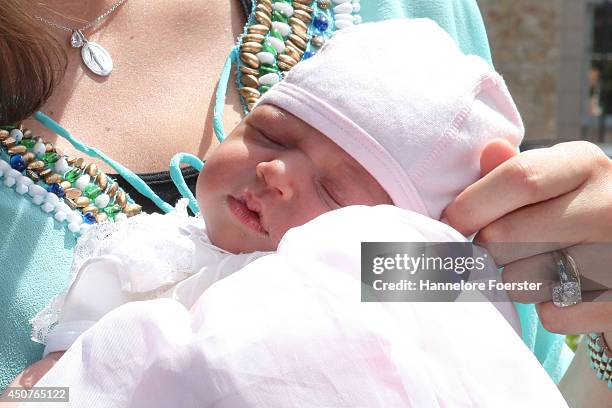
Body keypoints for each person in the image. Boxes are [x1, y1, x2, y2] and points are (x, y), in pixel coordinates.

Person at [12, 19, 570, 407]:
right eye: (269, 134)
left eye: (333, 192)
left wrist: (589, 258)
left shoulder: (395, 278)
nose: (275, 173)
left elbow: (526, 278)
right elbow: (61, 381)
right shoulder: (154, 258)